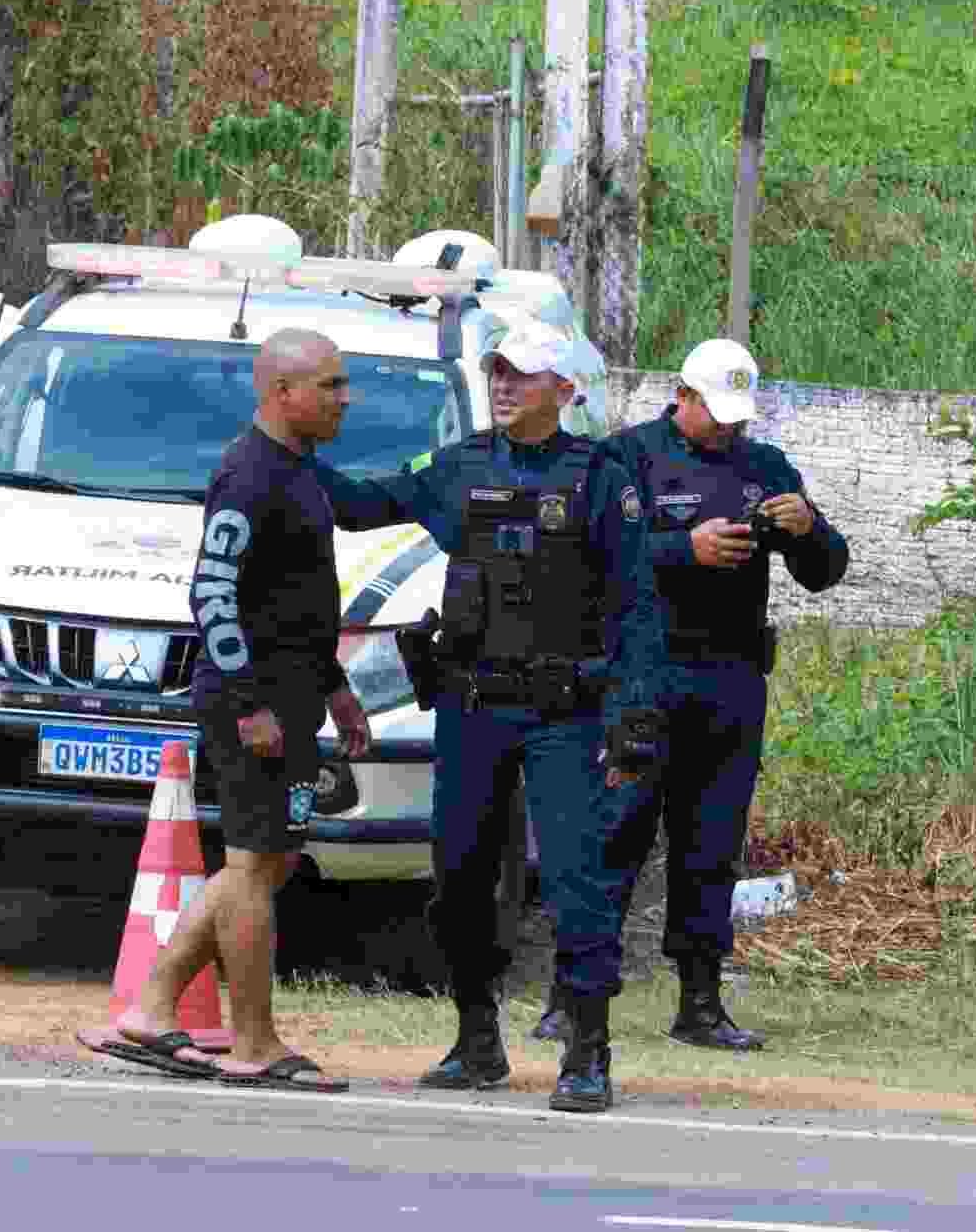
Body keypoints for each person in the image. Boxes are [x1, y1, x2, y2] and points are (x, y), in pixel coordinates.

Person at [312, 319, 665, 1114]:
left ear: (565, 391)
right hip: (473, 706)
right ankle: (477, 1038)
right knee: (460, 878)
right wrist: (287, 453)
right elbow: (366, 504)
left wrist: (633, 717)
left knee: (577, 882)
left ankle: (587, 1048)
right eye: (496, 371)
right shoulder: (461, 464)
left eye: (521, 375)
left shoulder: (600, 476)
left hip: (565, 713)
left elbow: (640, 607)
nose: (503, 385)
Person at [81, 326, 371, 1094]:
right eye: (332, 385)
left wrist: (336, 685)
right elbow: (210, 594)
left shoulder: (302, 469)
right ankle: (253, 1041)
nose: (347, 399)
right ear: (283, 393)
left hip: (297, 694)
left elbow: (293, 604)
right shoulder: (248, 474)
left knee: (266, 863)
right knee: (251, 866)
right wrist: (249, 704)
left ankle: (149, 1006)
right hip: (254, 703)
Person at [554, 336, 849, 1054]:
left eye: (738, 417)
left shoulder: (764, 466)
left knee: (711, 843)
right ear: (681, 395)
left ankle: (701, 1001)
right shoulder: (627, 457)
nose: (728, 429)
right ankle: (574, 997)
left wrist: (811, 530)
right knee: (615, 833)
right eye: (716, 413)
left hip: (732, 681)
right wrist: (685, 548)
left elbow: (826, 572)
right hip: (644, 678)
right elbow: (585, 560)